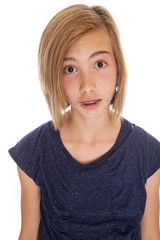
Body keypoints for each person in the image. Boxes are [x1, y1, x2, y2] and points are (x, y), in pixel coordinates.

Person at [8, 4, 160, 240]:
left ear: (118, 67)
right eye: (70, 68)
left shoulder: (148, 152)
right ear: (53, 77)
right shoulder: (33, 152)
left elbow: (152, 235)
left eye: (99, 64)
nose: (87, 85)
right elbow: (27, 234)